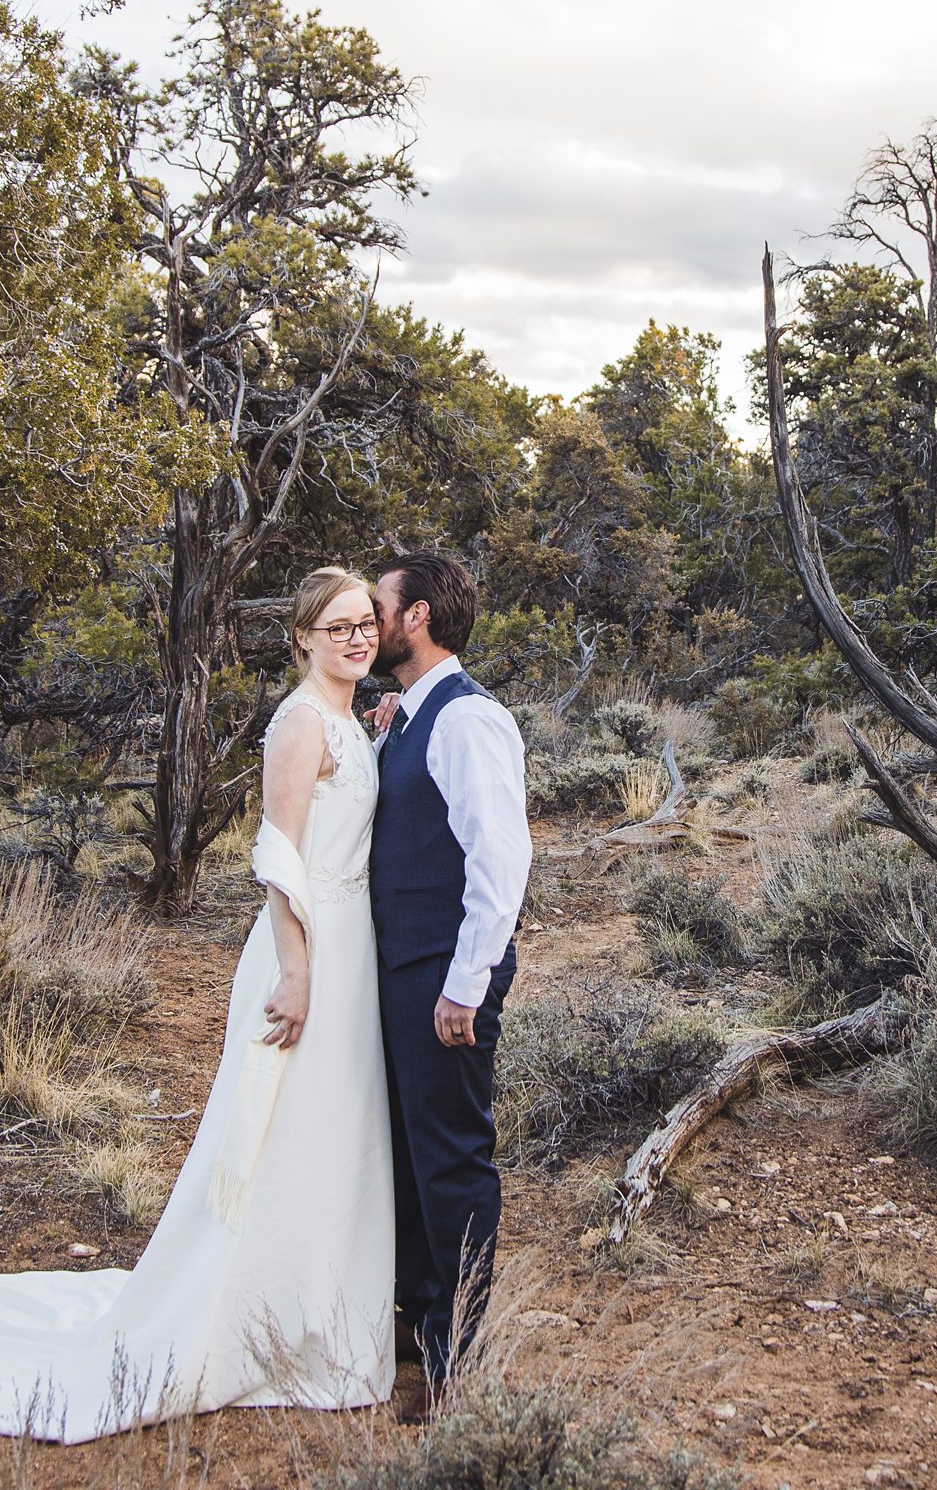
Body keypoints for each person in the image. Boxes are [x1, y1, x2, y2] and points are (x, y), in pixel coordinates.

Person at [0, 567, 394, 1442]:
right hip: (310, 947)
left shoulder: (355, 719)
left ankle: (321, 1317)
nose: (356, 639)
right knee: (279, 1125)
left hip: (354, 945)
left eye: (365, 624)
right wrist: (297, 968)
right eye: (337, 627)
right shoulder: (297, 723)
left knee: (333, 1130)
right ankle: (249, 1320)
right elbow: (277, 855)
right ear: (301, 637)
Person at [366, 549, 532, 1393]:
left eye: (382, 605)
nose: (371, 620)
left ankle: (455, 1355)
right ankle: (417, 1315)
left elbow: (499, 861)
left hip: (445, 973)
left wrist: (467, 983)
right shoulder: (408, 715)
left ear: (419, 615)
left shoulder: (469, 720)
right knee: (406, 1149)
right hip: (405, 968)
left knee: (451, 1157)